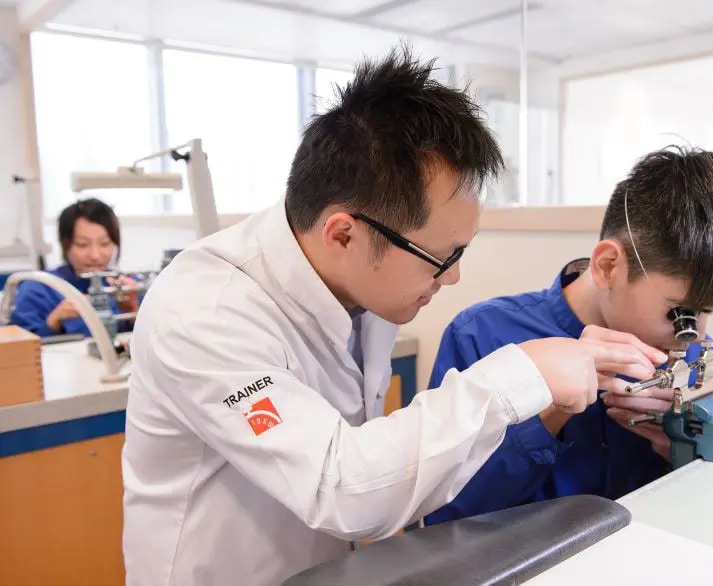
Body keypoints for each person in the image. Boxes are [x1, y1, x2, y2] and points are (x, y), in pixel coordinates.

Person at [120, 46, 661, 586]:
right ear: (343, 234)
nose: (452, 278)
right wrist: (521, 373)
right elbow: (341, 486)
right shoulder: (204, 313)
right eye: (441, 257)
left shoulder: (362, 286)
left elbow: (393, 474)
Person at [423, 146, 713, 526]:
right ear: (608, 266)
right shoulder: (481, 335)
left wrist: (680, 446)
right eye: (681, 313)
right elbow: (445, 521)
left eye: (708, 313)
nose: (693, 336)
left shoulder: (699, 360)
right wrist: (547, 415)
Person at [9, 198, 139, 337]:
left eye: (104, 243)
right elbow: (20, 351)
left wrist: (133, 312)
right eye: (83, 244)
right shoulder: (37, 289)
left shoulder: (128, 288)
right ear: (65, 244)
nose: (95, 255)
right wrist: (54, 322)